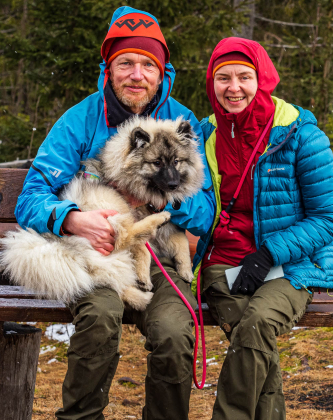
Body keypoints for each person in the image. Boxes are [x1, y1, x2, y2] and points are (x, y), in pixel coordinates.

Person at [15, 7, 215, 420]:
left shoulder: (181, 123)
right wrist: (72, 218)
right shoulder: (80, 121)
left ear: (163, 73)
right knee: (100, 318)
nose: (136, 74)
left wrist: (163, 195)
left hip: (157, 251)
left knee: (175, 333)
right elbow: (31, 197)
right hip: (97, 248)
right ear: (109, 68)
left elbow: (206, 208)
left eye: (147, 65)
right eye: (126, 63)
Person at [192, 37, 333, 420]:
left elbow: (329, 218)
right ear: (211, 83)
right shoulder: (202, 134)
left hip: (293, 265)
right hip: (221, 263)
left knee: (256, 324)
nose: (234, 87)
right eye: (223, 78)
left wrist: (269, 253)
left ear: (264, 78)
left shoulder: (299, 135)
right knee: (254, 337)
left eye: (244, 76)